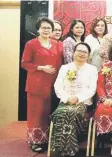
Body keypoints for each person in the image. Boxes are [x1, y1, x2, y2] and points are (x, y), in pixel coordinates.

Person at [21, 17, 63, 152]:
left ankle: (48, 138)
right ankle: (35, 140)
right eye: (43, 28)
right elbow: (25, 63)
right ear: (38, 29)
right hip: (37, 84)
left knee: (48, 112)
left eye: (49, 28)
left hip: (53, 84)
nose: (46, 30)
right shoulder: (31, 44)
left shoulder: (57, 44)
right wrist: (41, 67)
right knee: (36, 114)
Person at [51, 42, 98, 156]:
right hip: (66, 101)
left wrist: (78, 98)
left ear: (88, 55)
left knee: (74, 113)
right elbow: (58, 86)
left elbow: (92, 89)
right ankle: (62, 148)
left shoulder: (92, 69)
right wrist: (67, 98)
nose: (82, 54)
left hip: (83, 102)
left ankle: (69, 148)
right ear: (73, 53)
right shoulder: (65, 68)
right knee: (59, 113)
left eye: (85, 52)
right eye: (79, 51)